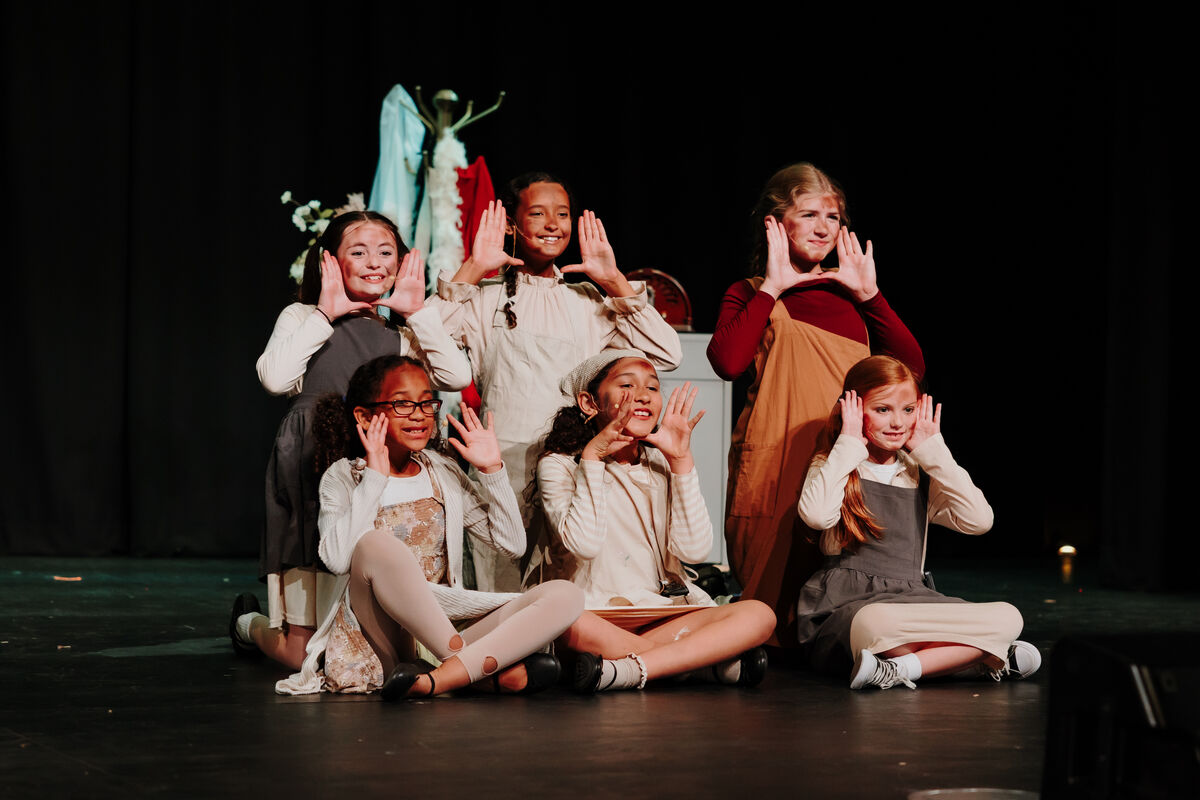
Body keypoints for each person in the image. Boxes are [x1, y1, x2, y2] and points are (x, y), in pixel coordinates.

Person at [232, 211, 472, 670]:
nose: (374, 263)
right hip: (309, 465)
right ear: (330, 262)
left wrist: (418, 312)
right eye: (358, 252)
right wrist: (325, 312)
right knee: (303, 654)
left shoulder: (400, 333)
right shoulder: (303, 316)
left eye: (386, 253)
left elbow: (456, 376)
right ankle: (248, 624)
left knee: (377, 642)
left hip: (375, 470)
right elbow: (275, 379)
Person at [274, 354, 584, 697]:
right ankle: (470, 665)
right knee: (375, 545)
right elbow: (335, 559)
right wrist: (374, 478)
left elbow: (512, 544)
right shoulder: (346, 476)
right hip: (380, 640)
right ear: (364, 416)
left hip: (439, 629)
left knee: (566, 595)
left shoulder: (442, 472)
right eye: (403, 404)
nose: (419, 414)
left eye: (425, 403)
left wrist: (492, 470)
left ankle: (438, 678)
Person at [706, 162, 925, 648]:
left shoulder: (852, 300)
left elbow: (910, 370)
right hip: (775, 459)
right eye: (809, 214)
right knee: (764, 604)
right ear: (775, 223)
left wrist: (871, 294)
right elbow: (727, 361)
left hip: (843, 463)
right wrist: (772, 287)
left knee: (835, 589)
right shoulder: (750, 293)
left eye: (833, 216)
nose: (824, 227)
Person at [432, 172, 682, 592]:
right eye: (538, 213)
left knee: (568, 583)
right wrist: (474, 267)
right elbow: (422, 344)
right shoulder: (486, 297)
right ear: (512, 224)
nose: (553, 224)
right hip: (503, 466)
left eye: (562, 214)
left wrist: (613, 279)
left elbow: (667, 354)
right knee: (504, 588)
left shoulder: (586, 301)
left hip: (570, 464)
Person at [533, 350, 776, 693]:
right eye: (627, 385)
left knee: (760, 615)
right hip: (598, 617)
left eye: (652, 386)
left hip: (663, 613)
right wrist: (592, 458)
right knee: (564, 623)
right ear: (589, 402)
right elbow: (584, 546)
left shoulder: (661, 463)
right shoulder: (560, 465)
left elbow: (694, 550)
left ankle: (630, 669)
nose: (644, 395)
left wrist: (681, 460)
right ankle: (698, 666)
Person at [796, 355, 1040, 689]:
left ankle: (901, 668)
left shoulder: (916, 472)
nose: (898, 422)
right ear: (853, 408)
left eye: (908, 410)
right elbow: (815, 515)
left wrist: (933, 451)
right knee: (875, 622)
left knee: (1009, 616)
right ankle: (982, 657)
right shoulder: (835, 464)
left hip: (913, 600)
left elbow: (979, 520)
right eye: (883, 410)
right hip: (852, 606)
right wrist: (848, 442)